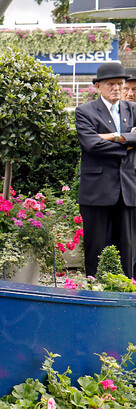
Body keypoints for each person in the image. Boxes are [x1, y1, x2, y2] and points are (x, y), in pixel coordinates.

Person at [76, 62, 136, 277]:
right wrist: (127, 144)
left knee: (127, 250)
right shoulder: (85, 111)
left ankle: (127, 293)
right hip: (97, 191)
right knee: (95, 248)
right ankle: (94, 290)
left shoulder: (133, 109)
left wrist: (114, 136)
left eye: (120, 84)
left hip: (128, 189)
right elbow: (91, 144)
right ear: (98, 86)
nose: (117, 88)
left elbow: (101, 142)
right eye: (111, 84)